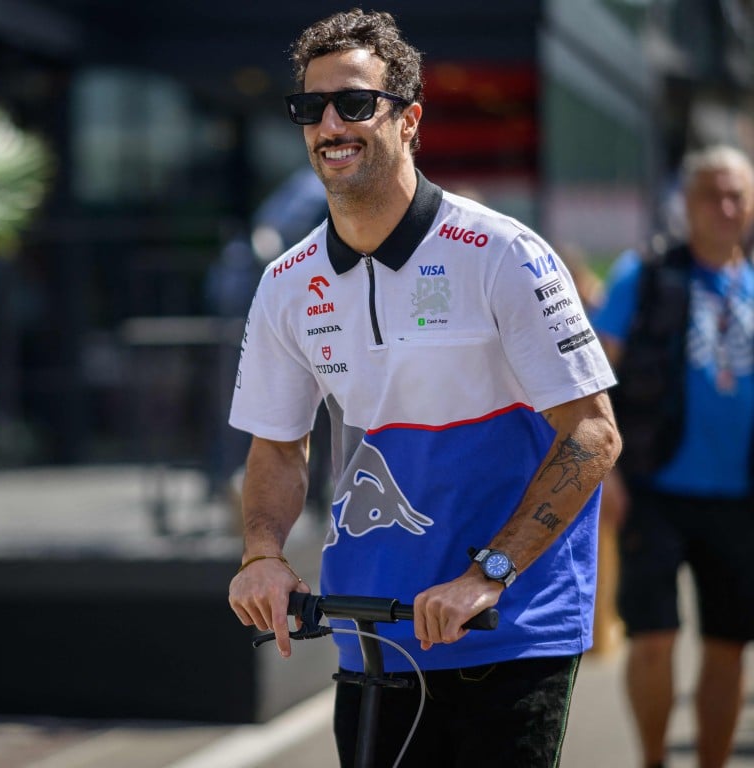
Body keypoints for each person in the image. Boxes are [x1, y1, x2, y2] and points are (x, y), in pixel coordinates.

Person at [227, 9, 620, 766]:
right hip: (370, 631)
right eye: (311, 108)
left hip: (507, 627)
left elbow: (593, 433)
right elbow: (278, 445)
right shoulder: (286, 282)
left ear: (409, 120)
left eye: (353, 103)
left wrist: (489, 573)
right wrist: (262, 554)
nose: (329, 124)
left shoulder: (504, 253)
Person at [594, 144, 754, 768]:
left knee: (729, 646)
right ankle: (654, 761)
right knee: (653, 639)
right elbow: (595, 376)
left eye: (737, 194)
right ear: (686, 205)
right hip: (655, 486)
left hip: (740, 496)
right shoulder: (647, 274)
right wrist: (606, 473)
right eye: (712, 193)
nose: (727, 206)